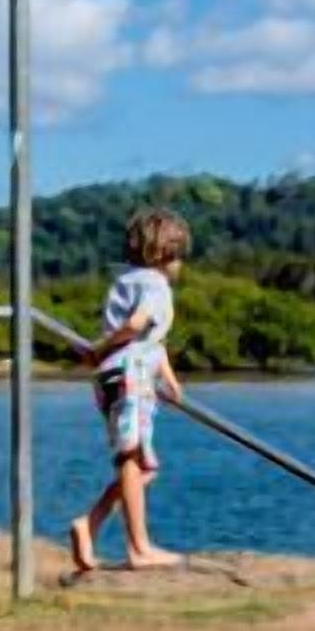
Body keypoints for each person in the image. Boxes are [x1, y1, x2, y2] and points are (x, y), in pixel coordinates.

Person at [69, 207, 190, 575]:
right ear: (165, 256)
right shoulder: (156, 286)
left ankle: (89, 524)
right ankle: (138, 546)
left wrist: (168, 377)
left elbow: (155, 339)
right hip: (130, 376)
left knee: (143, 466)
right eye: (179, 256)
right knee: (132, 458)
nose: (181, 265)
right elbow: (137, 327)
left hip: (118, 377)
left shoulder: (126, 282)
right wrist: (103, 347)